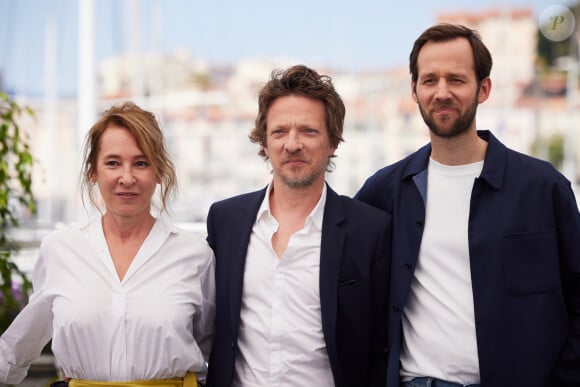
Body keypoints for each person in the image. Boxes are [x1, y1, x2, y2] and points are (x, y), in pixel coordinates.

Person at [355, 23, 580, 387]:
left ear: (484, 88)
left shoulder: (543, 188)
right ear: (413, 90)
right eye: (429, 80)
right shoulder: (384, 191)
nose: (442, 92)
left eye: (456, 80)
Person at [0, 102, 215, 387]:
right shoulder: (59, 250)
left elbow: (215, 349)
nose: (127, 178)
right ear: (93, 172)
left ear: (159, 171)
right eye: (113, 163)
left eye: (141, 163)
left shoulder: (195, 254)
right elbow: (18, 347)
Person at [205, 64, 391, 387]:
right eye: (279, 132)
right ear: (264, 141)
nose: (292, 144)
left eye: (308, 131)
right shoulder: (225, 221)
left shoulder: (369, 231)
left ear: (332, 142)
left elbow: (381, 347)